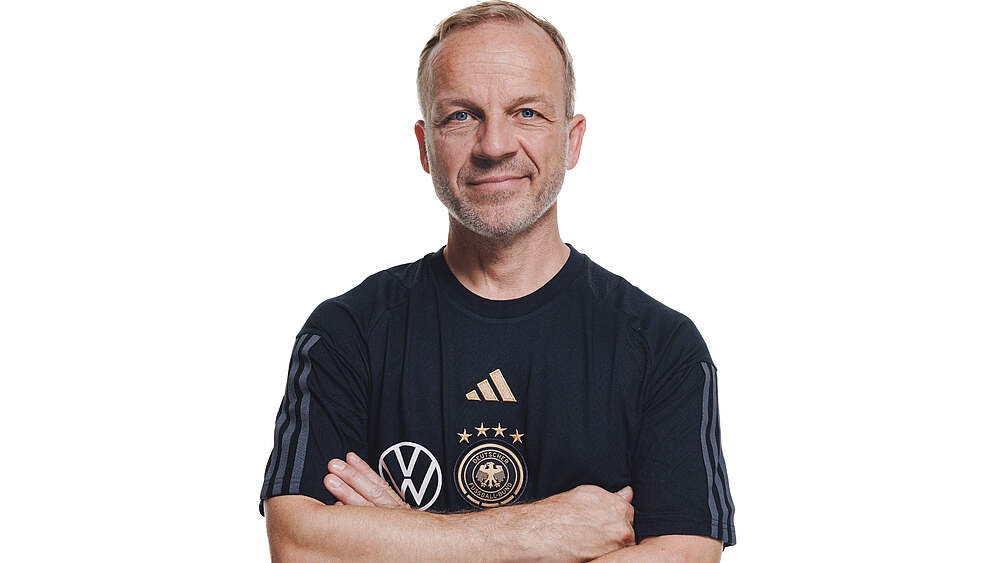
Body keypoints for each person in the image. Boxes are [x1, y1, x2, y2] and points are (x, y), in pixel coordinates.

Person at [259, 1, 735, 560]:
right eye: (461, 116)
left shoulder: (662, 347)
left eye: (527, 112)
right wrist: (536, 534)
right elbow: (299, 546)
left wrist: (407, 537)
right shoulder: (348, 334)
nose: (494, 145)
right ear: (424, 146)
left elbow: (686, 554)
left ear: (573, 140)